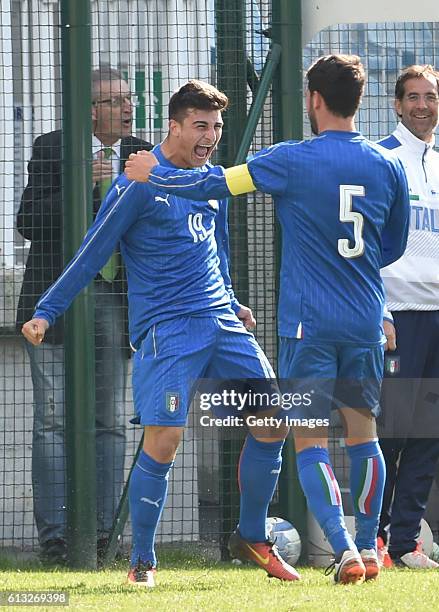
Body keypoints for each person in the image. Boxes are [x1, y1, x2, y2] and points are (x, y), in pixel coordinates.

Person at [124, 55, 410, 584]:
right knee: (364, 436)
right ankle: (372, 548)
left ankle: (345, 549)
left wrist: (154, 171)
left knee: (309, 439)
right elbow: (392, 245)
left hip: (309, 323)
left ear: (314, 101)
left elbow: (214, 185)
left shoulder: (290, 159)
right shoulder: (388, 163)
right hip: (367, 318)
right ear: (360, 101)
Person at [21, 79, 299, 586]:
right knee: (166, 437)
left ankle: (252, 535)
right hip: (167, 329)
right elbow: (93, 249)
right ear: (173, 126)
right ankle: (142, 562)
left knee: (273, 419)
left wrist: (234, 300)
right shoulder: (138, 184)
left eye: (216, 127)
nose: (210, 136)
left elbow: (217, 250)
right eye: (200, 126)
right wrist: (47, 310)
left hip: (220, 322)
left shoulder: (210, 180)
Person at [16, 66, 152, 563]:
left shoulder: (143, 153)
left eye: (128, 99)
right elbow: (27, 221)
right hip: (55, 299)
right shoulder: (52, 148)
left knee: (110, 418)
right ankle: (55, 536)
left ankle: (104, 532)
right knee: (51, 419)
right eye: (116, 100)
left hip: (117, 299)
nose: (128, 108)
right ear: (90, 110)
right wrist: (80, 180)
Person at [375, 65, 439, 570]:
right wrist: (379, 309)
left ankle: (404, 544)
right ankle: (372, 537)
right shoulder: (382, 159)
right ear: (397, 105)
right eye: (413, 97)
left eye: (431, 97)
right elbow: (366, 245)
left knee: (429, 433)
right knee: (390, 432)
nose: (423, 106)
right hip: (398, 316)